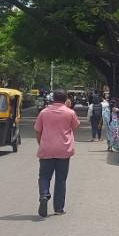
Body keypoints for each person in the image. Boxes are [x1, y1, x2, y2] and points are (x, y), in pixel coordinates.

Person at [33, 89, 80, 217]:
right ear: (66, 99)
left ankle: (44, 195)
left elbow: (37, 130)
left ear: (53, 98)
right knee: (61, 179)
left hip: (46, 149)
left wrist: (41, 143)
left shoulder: (44, 112)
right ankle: (58, 208)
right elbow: (75, 126)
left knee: (44, 176)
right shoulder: (70, 113)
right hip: (64, 150)